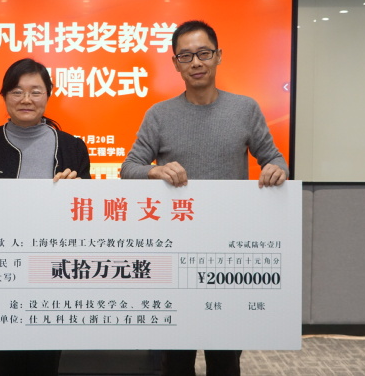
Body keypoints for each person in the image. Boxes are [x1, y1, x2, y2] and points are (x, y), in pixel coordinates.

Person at [120, 20, 288, 376]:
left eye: (203, 53)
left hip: (228, 252)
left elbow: (273, 157)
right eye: (186, 56)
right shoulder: (159, 115)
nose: (196, 62)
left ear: (218, 56)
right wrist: (154, 172)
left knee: (225, 358)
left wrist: (277, 168)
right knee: (175, 359)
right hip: (174, 252)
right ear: (175, 63)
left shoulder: (245, 109)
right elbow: (129, 168)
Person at [0, 58, 91, 376]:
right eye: (17, 91)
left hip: (52, 270)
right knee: (5, 363)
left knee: (45, 363)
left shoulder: (73, 147)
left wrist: (78, 193)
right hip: (2, 269)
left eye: (35, 91)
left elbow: (86, 217)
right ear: (4, 96)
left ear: (48, 95)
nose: (26, 99)